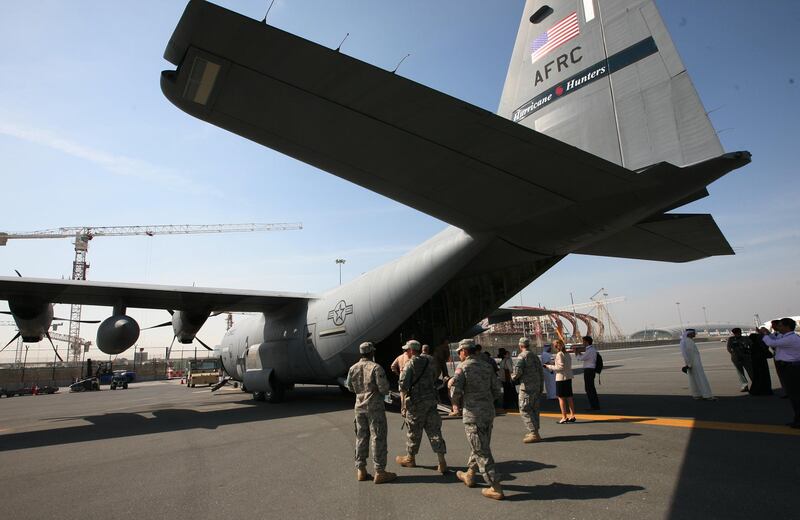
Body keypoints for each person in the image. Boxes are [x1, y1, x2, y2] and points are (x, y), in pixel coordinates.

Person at [451, 339, 504, 500]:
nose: (458, 354)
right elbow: (497, 390)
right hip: (488, 413)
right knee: (480, 444)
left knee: (481, 450)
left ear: (464, 352)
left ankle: (495, 487)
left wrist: (455, 404)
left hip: (473, 414)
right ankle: (470, 474)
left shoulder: (463, 367)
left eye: (459, 351)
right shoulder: (487, 366)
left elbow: (455, 392)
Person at [345, 341, 397, 484]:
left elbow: (349, 387)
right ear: (372, 352)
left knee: (361, 437)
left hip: (359, 407)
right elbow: (384, 388)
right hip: (374, 407)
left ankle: (361, 470)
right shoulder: (376, 368)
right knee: (377, 437)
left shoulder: (352, 368)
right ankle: (380, 471)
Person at [395, 340, 448, 473]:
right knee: (435, 431)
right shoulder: (430, 362)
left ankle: (410, 459)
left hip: (416, 404)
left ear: (412, 351)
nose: (405, 352)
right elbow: (435, 377)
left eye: (407, 350)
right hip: (431, 401)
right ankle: (442, 462)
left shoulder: (410, 364)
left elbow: (403, 385)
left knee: (413, 432)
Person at [762, 318, 800, 428]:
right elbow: (774, 338)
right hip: (789, 368)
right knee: (794, 395)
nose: (778, 327)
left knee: (796, 396)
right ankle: (797, 419)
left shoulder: (791, 338)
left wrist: (764, 334)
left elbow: (771, 342)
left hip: (792, 369)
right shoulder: (786, 337)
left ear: (787, 327)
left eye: (780, 325)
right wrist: (768, 333)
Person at [511, 337, 544, 442]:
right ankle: (535, 431)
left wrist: (512, 377)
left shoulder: (522, 356)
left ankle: (534, 433)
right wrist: (540, 386)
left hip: (526, 388)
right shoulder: (535, 356)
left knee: (525, 409)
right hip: (536, 387)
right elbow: (541, 372)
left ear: (520, 346)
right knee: (534, 409)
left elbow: (517, 372)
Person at [544, 339, 575, 423]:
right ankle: (572, 415)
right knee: (569, 397)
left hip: (561, 378)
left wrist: (549, 366)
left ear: (556, 346)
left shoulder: (559, 354)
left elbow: (560, 367)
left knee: (561, 398)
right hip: (568, 377)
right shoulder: (567, 354)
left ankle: (564, 417)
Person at [680, 329, 716, 401]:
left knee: (693, 379)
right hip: (694, 364)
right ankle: (707, 395)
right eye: (693, 333)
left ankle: (697, 394)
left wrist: (688, 364)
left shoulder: (685, 341)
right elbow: (688, 354)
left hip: (691, 363)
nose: (695, 334)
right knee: (701, 378)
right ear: (689, 333)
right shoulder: (688, 341)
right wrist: (689, 364)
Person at [575, 335, 600, 410]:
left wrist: (576, 354)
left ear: (587, 342)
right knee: (591, 388)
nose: (583, 343)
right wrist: (579, 353)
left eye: (583, 341)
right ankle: (595, 405)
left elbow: (581, 358)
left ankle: (593, 406)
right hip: (591, 370)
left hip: (588, 370)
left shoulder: (589, 350)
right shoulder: (592, 349)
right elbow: (586, 357)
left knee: (589, 389)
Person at [726, 328, 753, 392]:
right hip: (736, 358)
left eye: (738, 333)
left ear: (740, 332)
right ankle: (745, 386)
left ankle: (755, 384)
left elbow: (751, 346)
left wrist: (748, 351)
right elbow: (729, 348)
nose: (737, 334)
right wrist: (734, 354)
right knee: (740, 373)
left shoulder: (746, 338)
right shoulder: (731, 339)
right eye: (735, 333)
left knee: (751, 371)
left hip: (746, 357)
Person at [748, 330, 773, 396]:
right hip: (762, 363)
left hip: (756, 363)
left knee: (758, 377)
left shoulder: (754, 346)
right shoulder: (760, 345)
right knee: (764, 377)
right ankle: (765, 390)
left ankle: (758, 390)